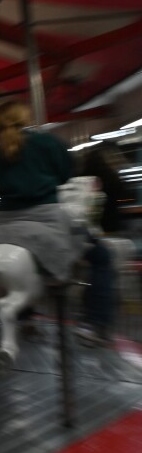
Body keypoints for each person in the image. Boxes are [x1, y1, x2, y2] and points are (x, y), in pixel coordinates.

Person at [0, 101, 85, 284]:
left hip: (3, 221)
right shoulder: (48, 142)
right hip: (46, 216)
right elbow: (67, 173)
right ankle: (74, 285)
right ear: (24, 118)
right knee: (99, 253)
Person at [74, 143, 133, 343]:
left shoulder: (82, 178)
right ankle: (97, 323)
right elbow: (124, 195)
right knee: (106, 274)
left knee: (94, 277)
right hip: (107, 236)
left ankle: (88, 318)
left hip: (81, 237)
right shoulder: (109, 178)